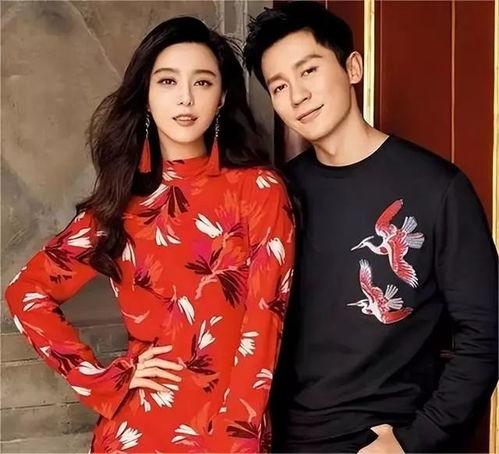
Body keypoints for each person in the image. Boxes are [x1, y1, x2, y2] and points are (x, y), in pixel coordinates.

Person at [5, 16, 295, 453]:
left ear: (221, 98)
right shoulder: (120, 205)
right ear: (146, 94)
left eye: (202, 82)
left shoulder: (259, 191)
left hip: (229, 432)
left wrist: (238, 441)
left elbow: (263, 325)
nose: (185, 97)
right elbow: (26, 293)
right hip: (136, 433)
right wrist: (104, 380)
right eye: (167, 81)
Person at [243, 2, 498, 453]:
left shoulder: (437, 187)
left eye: (309, 70)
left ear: (353, 68)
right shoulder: (277, 194)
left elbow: (487, 330)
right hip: (285, 442)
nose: (297, 96)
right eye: (279, 86)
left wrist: (417, 440)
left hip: (383, 441)